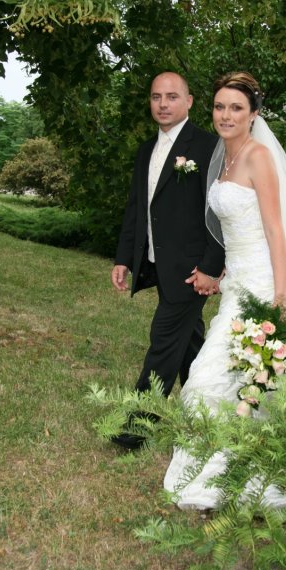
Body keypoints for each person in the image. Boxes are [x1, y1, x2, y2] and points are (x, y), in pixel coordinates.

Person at [163, 71, 286, 509]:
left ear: (253, 114)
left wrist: (281, 296)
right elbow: (237, 232)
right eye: (219, 107)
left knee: (284, 370)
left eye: (236, 108)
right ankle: (227, 457)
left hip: (267, 284)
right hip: (237, 282)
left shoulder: (259, 156)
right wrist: (221, 277)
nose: (226, 115)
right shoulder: (224, 159)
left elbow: (274, 231)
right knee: (224, 377)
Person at [111, 71, 225, 449]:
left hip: (192, 270)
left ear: (189, 102)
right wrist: (125, 258)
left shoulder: (209, 147)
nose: (163, 104)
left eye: (172, 97)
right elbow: (136, 209)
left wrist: (211, 266)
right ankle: (204, 412)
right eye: (156, 97)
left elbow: (219, 213)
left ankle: (138, 425)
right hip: (157, 263)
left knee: (163, 339)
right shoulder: (146, 150)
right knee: (189, 343)